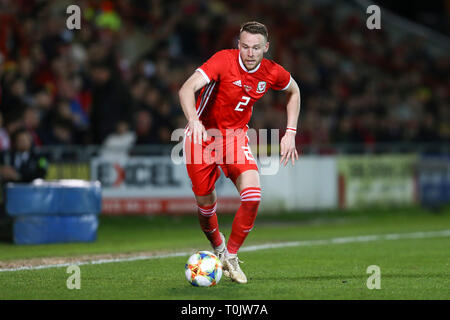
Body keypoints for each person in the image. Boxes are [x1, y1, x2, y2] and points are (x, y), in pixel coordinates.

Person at [178, 21, 300, 284]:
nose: (250, 52)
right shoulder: (223, 61)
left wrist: (290, 132)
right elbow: (186, 88)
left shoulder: (271, 72)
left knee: (253, 195)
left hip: (234, 138)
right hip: (201, 138)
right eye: (245, 46)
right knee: (205, 204)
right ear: (238, 44)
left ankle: (231, 256)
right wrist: (194, 120)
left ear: (266, 47)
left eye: (256, 47)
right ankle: (218, 246)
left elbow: (294, 91)